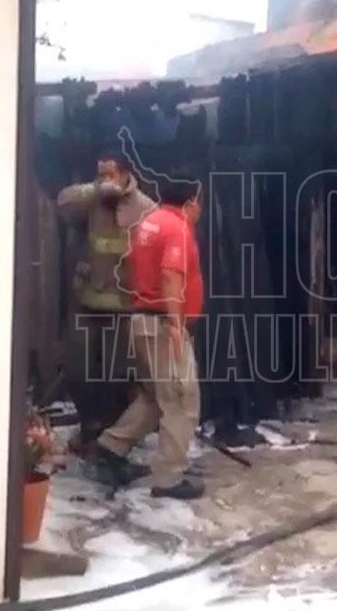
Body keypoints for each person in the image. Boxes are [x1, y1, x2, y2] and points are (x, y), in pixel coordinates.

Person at [93, 173, 205, 500]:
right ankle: (168, 479)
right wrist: (175, 324)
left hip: (142, 319)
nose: (200, 209)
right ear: (191, 202)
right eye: (200, 202)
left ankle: (110, 447)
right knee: (181, 401)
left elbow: (129, 267)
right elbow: (171, 274)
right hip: (162, 325)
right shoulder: (177, 228)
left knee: (155, 397)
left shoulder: (148, 223)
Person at [57, 152, 157, 450]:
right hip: (86, 300)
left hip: (123, 307)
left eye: (109, 175)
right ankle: (89, 425)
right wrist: (96, 190)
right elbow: (63, 203)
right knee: (77, 370)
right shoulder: (90, 200)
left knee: (116, 376)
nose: (103, 180)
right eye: (99, 174)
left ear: (125, 175)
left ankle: (108, 437)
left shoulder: (145, 208)